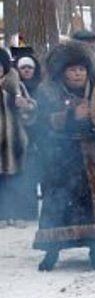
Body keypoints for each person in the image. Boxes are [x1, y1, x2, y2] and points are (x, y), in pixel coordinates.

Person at [32, 42, 95, 270]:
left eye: (81, 69)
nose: (78, 74)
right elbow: (42, 125)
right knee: (59, 206)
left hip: (94, 157)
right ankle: (51, 251)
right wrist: (70, 117)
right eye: (72, 70)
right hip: (63, 160)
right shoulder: (48, 93)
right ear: (62, 72)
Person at [0, 49, 30, 225]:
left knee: (15, 180)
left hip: (14, 139)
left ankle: (17, 214)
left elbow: (32, 109)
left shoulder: (16, 85)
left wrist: (25, 106)